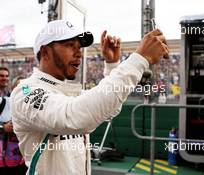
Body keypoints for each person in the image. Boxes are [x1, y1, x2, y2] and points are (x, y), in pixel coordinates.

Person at [10, 20, 169, 175]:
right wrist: (139, 59)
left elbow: (108, 110)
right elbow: (74, 117)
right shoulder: (24, 91)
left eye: (79, 47)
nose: (79, 53)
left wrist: (112, 65)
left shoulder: (67, 91)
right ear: (45, 51)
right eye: (70, 45)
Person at [0, 76, 27, 175]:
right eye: (19, 86)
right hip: (4, 161)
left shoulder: (32, 109)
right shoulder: (4, 103)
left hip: (25, 161)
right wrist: (3, 127)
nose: (23, 90)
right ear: (13, 88)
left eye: (25, 87)